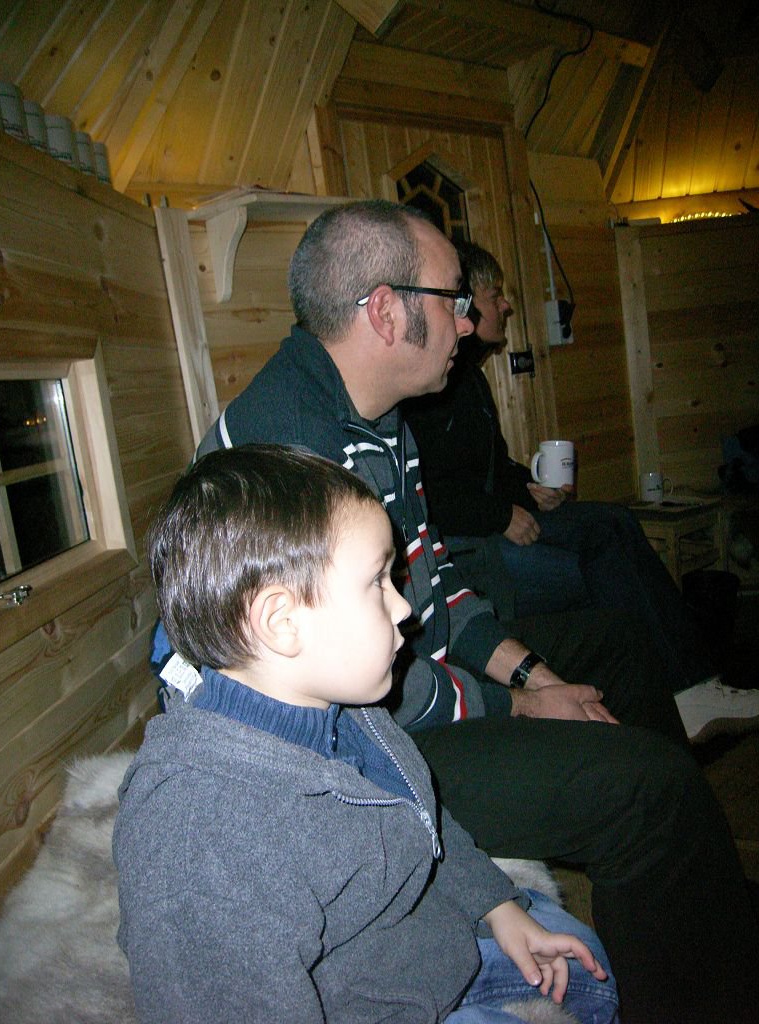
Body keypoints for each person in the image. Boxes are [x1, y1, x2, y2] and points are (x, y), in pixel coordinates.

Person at [187, 200, 758, 1023]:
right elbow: (362, 696)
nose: (466, 321)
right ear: (387, 311)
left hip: (397, 690)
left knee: (619, 645)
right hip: (357, 760)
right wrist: (513, 703)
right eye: (453, 298)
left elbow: (433, 585)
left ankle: (685, 889)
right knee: (646, 792)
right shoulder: (291, 457)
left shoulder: (378, 419)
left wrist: (532, 673)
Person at [114, 444, 618, 1024]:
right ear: (281, 621)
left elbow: (422, 821)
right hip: (365, 1005)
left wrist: (496, 905)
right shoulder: (198, 838)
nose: (404, 608)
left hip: (416, 953)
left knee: (590, 976)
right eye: (378, 582)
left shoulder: (344, 710)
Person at [403, 240, 759, 744]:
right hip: (471, 545)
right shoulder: (431, 386)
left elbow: (491, 467)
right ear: (466, 301)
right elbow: (426, 493)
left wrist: (528, 487)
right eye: (495, 293)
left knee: (614, 520)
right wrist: (500, 515)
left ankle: (690, 685)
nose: (506, 304)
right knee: (602, 565)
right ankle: (676, 692)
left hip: (497, 520)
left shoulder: (471, 381)